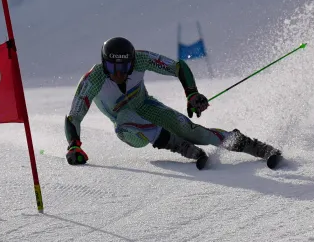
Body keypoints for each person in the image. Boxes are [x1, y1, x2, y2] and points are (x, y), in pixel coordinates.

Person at [63, 37, 281, 170]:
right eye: (112, 68)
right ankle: (179, 146)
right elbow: (74, 116)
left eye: (124, 67)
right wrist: (74, 145)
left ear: (132, 61)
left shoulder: (141, 58)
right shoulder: (94, 79)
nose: (119, 73)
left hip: (147, 108)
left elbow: (178, 67)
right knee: (126, 119)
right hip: (128, 130)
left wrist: (192, 93)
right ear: (104, 64)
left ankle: (257, 148)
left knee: (192, 130)